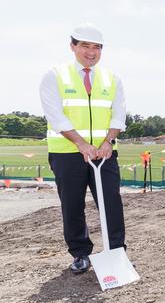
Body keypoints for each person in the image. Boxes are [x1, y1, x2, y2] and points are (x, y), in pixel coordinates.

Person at [39, 23, 126, 274]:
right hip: (67, 154)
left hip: (105, 153)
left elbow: (119, 114)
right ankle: (80, 253)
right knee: (73, 204)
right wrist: (81, 144)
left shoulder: (112, 79)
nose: (91, 52)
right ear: (73, 46)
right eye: (85, 46)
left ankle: (116, 251)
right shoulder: (54, 75)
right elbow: (56, 116)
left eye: (96, 47)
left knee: (111, 201)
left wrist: (108, 141)